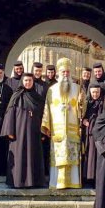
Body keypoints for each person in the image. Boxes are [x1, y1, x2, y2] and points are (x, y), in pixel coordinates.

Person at [41, 58, 86, 189]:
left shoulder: (77, 88)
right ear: (58, 73)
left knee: (72, 156)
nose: (65, 74)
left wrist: (82, 103)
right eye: (63, 72)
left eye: (67, 71)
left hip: (73, 129)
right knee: (58, 157)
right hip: (57, 130)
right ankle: (57, 183)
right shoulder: (52, 90)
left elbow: (82, 109)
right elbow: (47, 108)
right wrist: (46, 126)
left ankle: (74, 182)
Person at [0, 73, 46, 188]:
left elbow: (43, 115)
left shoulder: (38, 97)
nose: (27, 83)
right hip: (18, 133)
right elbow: (10, 114)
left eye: (30, 81)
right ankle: (18, 182)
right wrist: (10, 131)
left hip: (34, 133)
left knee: (33, 156)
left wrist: (43, 131)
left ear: (33, 82)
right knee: (19, 156)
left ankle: (33, 182)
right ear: (22, 82)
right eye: (25, 80)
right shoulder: (16, 96)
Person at [81, 83, 105, 187]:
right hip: (89, 134)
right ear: (90, 93)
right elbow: (82, 116)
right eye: (93, 92)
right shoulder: (87, 103)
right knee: (89, 155)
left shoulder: (103, 103)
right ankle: (89, 178)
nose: (95, 94)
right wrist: (84, 121)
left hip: (99, 134)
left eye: (97, 92)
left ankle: (97, 178)